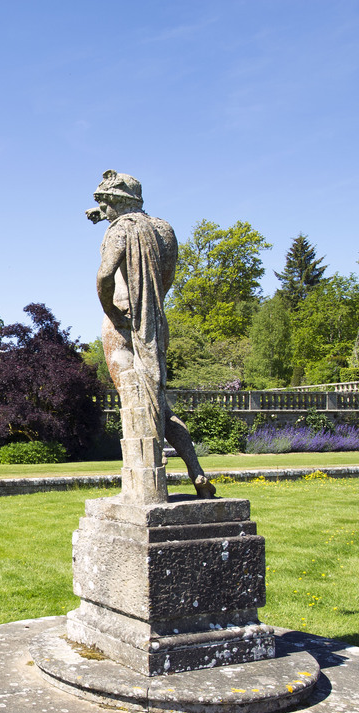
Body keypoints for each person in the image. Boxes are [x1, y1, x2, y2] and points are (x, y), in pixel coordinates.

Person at [87, 170, 215, 499]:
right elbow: (165, 274)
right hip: (154, 323)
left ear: (115, 202)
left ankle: (145, 487)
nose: (103, 211)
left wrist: (111, 310)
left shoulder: (121, 229)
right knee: (158, 402)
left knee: (134, 401)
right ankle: (195, 471)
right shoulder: (163, 229)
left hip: (121, 322)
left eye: (104, 203)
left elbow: (104, 276)